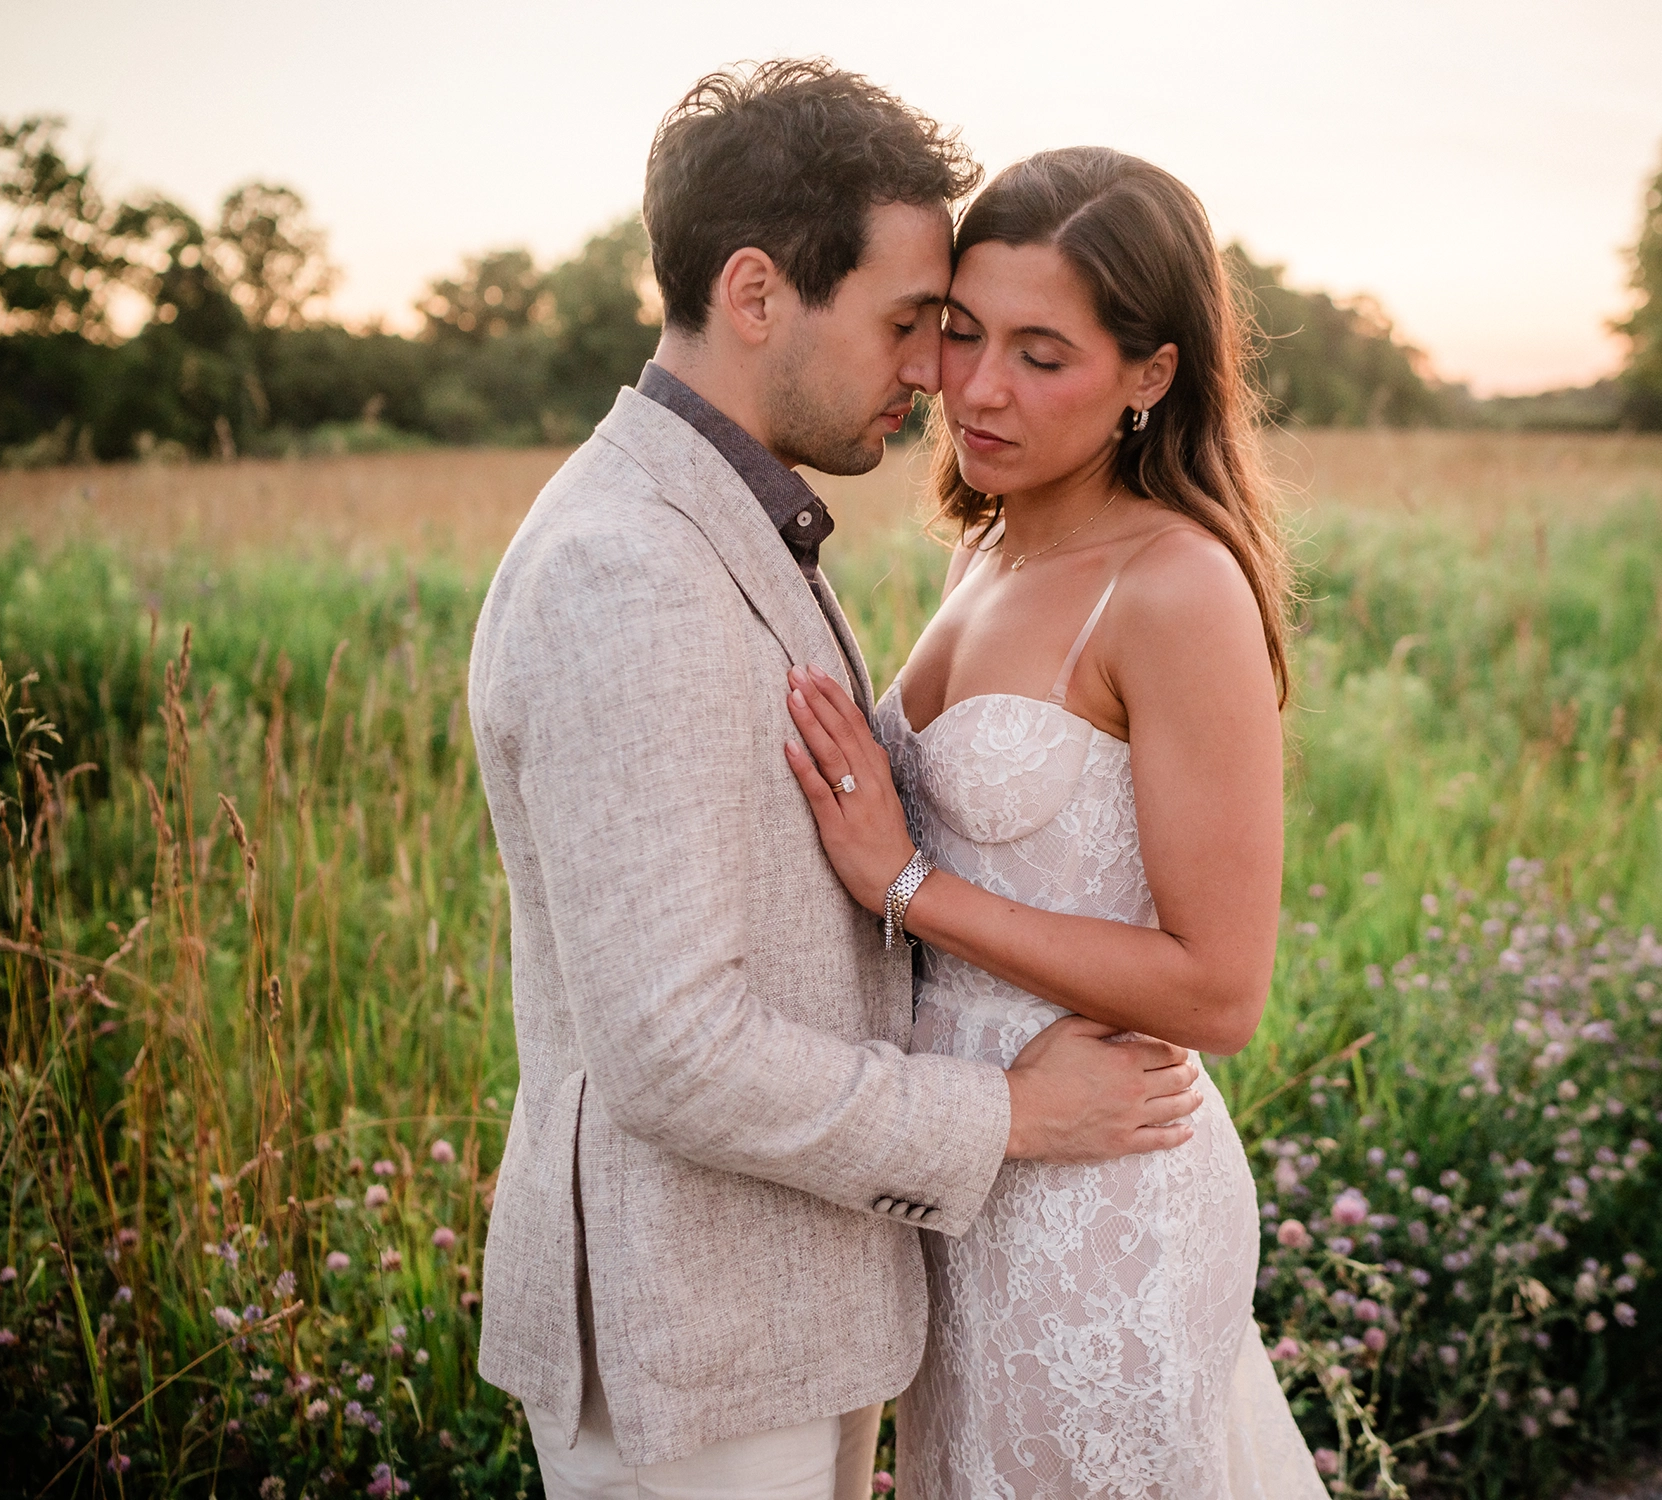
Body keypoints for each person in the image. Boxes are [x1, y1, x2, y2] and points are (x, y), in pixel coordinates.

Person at [467, 68, 1206, 1500]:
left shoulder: (725, 522)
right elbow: (673, 1049)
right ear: (756, 294)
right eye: (910, 322)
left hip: (787, 1309)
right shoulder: (633, 569)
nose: (935, 372)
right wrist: (1011, 1121)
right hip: (700, 1341)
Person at [782, 147, 1327, 1497]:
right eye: (963, 334)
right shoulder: (993, 546)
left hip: (1104, 1195)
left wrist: (908, 888)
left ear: (1151, 373)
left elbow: (1220, 985)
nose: (976, 388)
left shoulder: (1174, 588)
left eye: (1042, 353)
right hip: (969, 1173)